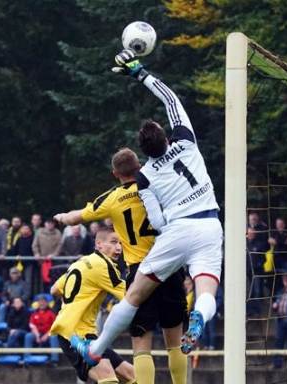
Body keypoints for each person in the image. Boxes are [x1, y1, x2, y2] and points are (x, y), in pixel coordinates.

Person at [69, 49, 223, 365]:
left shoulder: (145, 175)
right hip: (210, 225)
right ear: (166, 136)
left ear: (143, 152)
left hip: (177, 230)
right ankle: (198, 320)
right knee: (207, 290)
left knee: (134, 296)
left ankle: (96, 350)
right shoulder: (186, 141)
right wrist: (140, 72)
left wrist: (171, 234)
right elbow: (171, 100)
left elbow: (155, 219)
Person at [54, 147, 188, 384]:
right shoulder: (158, 186)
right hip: (171, 265)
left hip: (141, 273)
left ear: (116, 174)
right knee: (175, 343)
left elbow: (76, 217)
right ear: (139, 167)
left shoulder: (112, 198)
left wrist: (62, 217)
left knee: (141, 344)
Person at [49, 226, 136, 384]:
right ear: (99, 244)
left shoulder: (81, 262)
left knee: (132, 375)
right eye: (113, 242)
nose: (118, 248)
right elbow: (130, 297)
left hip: (80, 333)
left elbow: (54, 290)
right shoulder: (104, 266)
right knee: (108, 378)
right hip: (76, 336)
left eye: (121, 243)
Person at [24, 295, 59, 367]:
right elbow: (32, 325)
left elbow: (55, 326)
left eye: (43, 302)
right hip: (38, 333)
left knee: (54, 336)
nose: (41, 303)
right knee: (28, 336)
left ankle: (54, 360)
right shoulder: (34, 314)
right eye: (40, 302)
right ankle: (26, 359)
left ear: (47, 303)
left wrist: (46, 335)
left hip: (49, 333)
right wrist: (37, 336)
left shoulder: (51, 313)